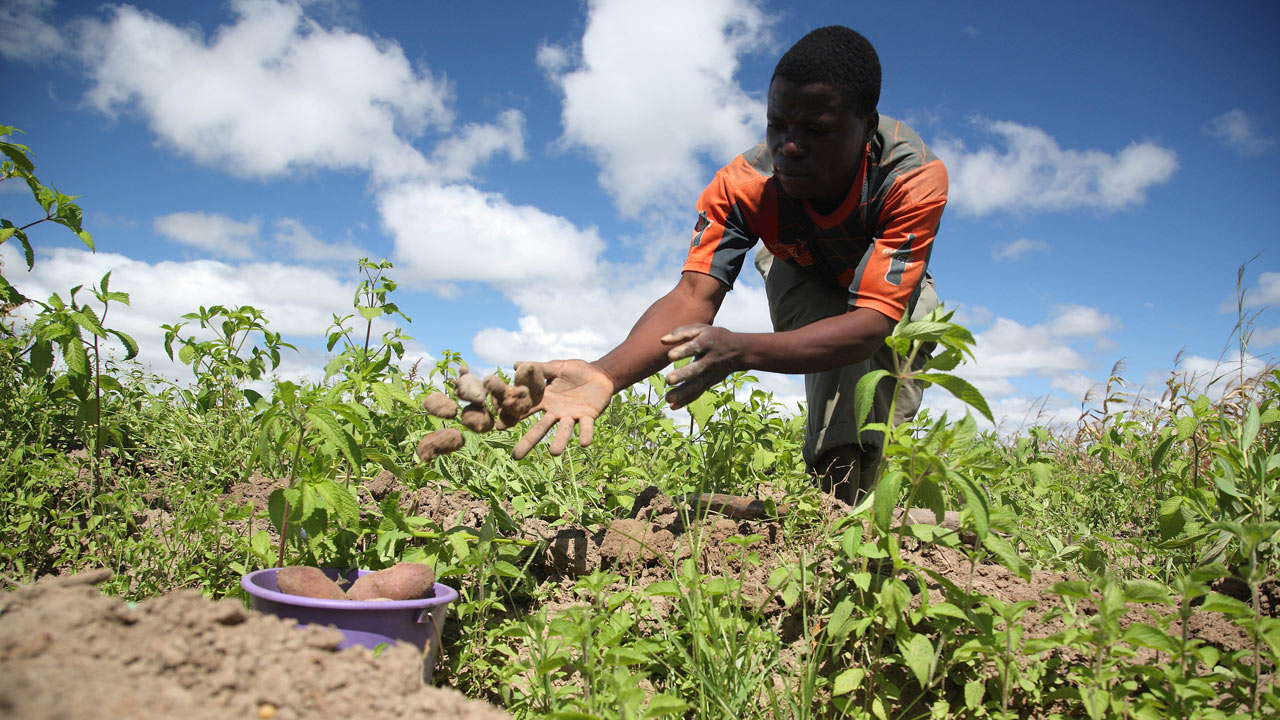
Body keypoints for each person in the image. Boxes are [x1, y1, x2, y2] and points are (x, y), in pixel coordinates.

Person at [512, 26, 946, 504]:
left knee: (884, 414)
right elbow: (692, 296)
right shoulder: (744, 186)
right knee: (840, 382)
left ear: (866, 128)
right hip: (799, 266)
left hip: (886, 289)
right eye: (777, 125)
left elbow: (869, 325)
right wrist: (605, 373)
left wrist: (741, 349)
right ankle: (833, 518)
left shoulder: (910, 178)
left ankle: (862, 512)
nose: (790, 147)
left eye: (817, 130)